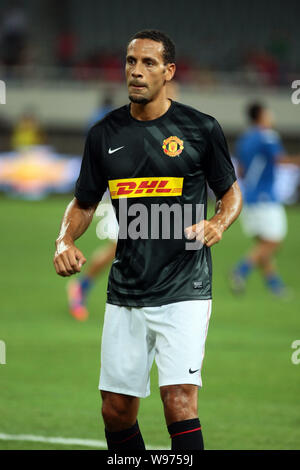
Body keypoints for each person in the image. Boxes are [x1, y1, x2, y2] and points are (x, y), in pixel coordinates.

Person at [53, 29, 242, 450]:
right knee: (116, 410)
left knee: (178, 400)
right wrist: (64, 240)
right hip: (127, 290)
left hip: (185, 287)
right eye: (130, 62)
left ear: (168, 71)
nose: (136, 71)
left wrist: (219, 223)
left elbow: (230, 193)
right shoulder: (104, 134)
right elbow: (83, 203)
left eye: (148, 63)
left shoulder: (200, 129)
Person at [230, 102, 300, 297]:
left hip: (248, 197)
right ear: (261, 115)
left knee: (263, 245)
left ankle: (274, 285)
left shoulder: (244, 139)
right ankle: (240, 270)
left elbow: (241, 170)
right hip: (265, 197)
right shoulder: (268, 136)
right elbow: (280, 160)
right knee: (273, 242)